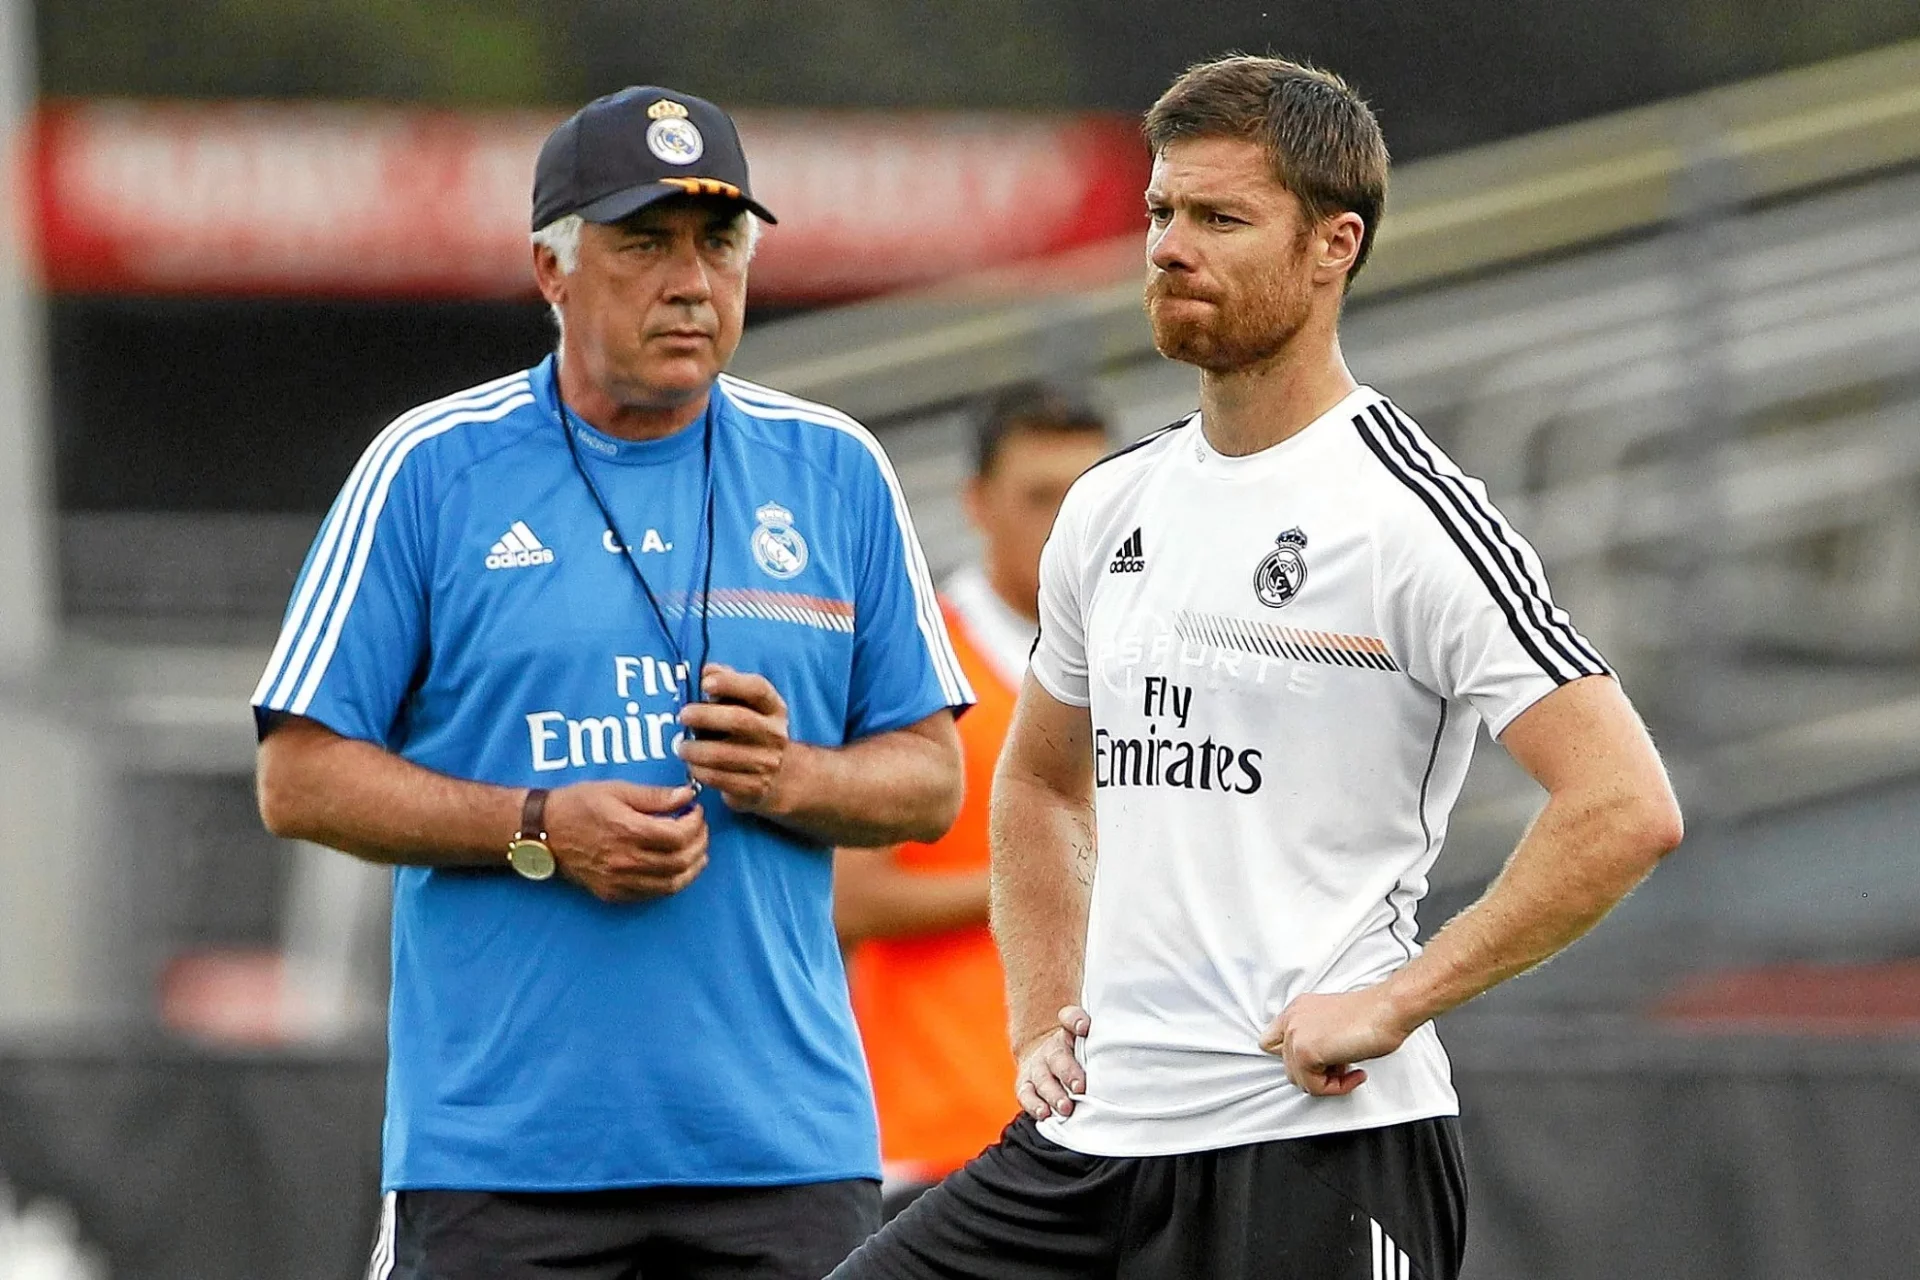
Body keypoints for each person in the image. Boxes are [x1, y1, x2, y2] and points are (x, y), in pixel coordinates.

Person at [831, 55, 1684, 1280]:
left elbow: (1624, 804)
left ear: (1335, 244)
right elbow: (1037, 786)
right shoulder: (1107, 504)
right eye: (1161, 213)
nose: (1173, 247)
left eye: (1221, 219)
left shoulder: (1413, 516)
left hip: (1317, 1145)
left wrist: (1397, 1000)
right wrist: (1037, 1012)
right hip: (1089, 1141)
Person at [250, 86, 972, 1280]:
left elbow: (932, 780)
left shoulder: (837, 469)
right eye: (645, 244)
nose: (692, 282)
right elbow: (297, 776)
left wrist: (789, 774)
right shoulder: (430, 470)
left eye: (721, 244)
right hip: (502, 1158)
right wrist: (538, 827)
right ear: (552, 269)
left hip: (784, 1155)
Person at [834, 387, 1110, 1217]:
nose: (1067, 523)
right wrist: (1051, 879)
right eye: (1039, 496)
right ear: (978, 504)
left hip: (1112, 1126)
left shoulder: (1142, 656)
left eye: (1087, 495)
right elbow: (850, 896)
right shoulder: (917, 657)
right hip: (946, 1127)